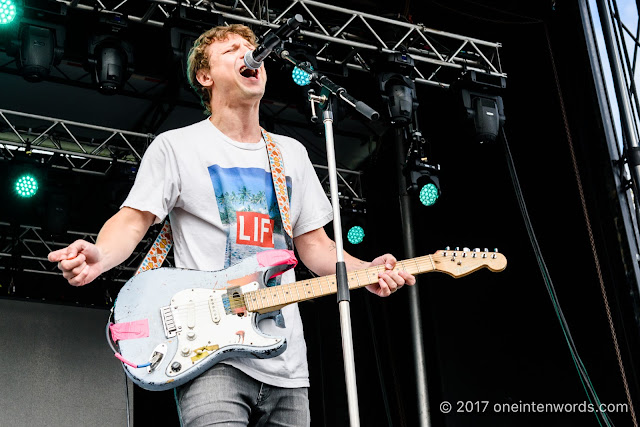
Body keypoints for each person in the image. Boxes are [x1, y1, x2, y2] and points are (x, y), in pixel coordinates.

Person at [48, 24, 415, 427]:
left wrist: (366, 271)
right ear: (205, 76)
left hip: (286, 361)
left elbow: (315, 247)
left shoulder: (289, 154)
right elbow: (133, 221)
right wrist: (100, 257)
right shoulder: (178, 146)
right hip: (209, 356)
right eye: (231, 50)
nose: (248, 55)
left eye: (251, 48)